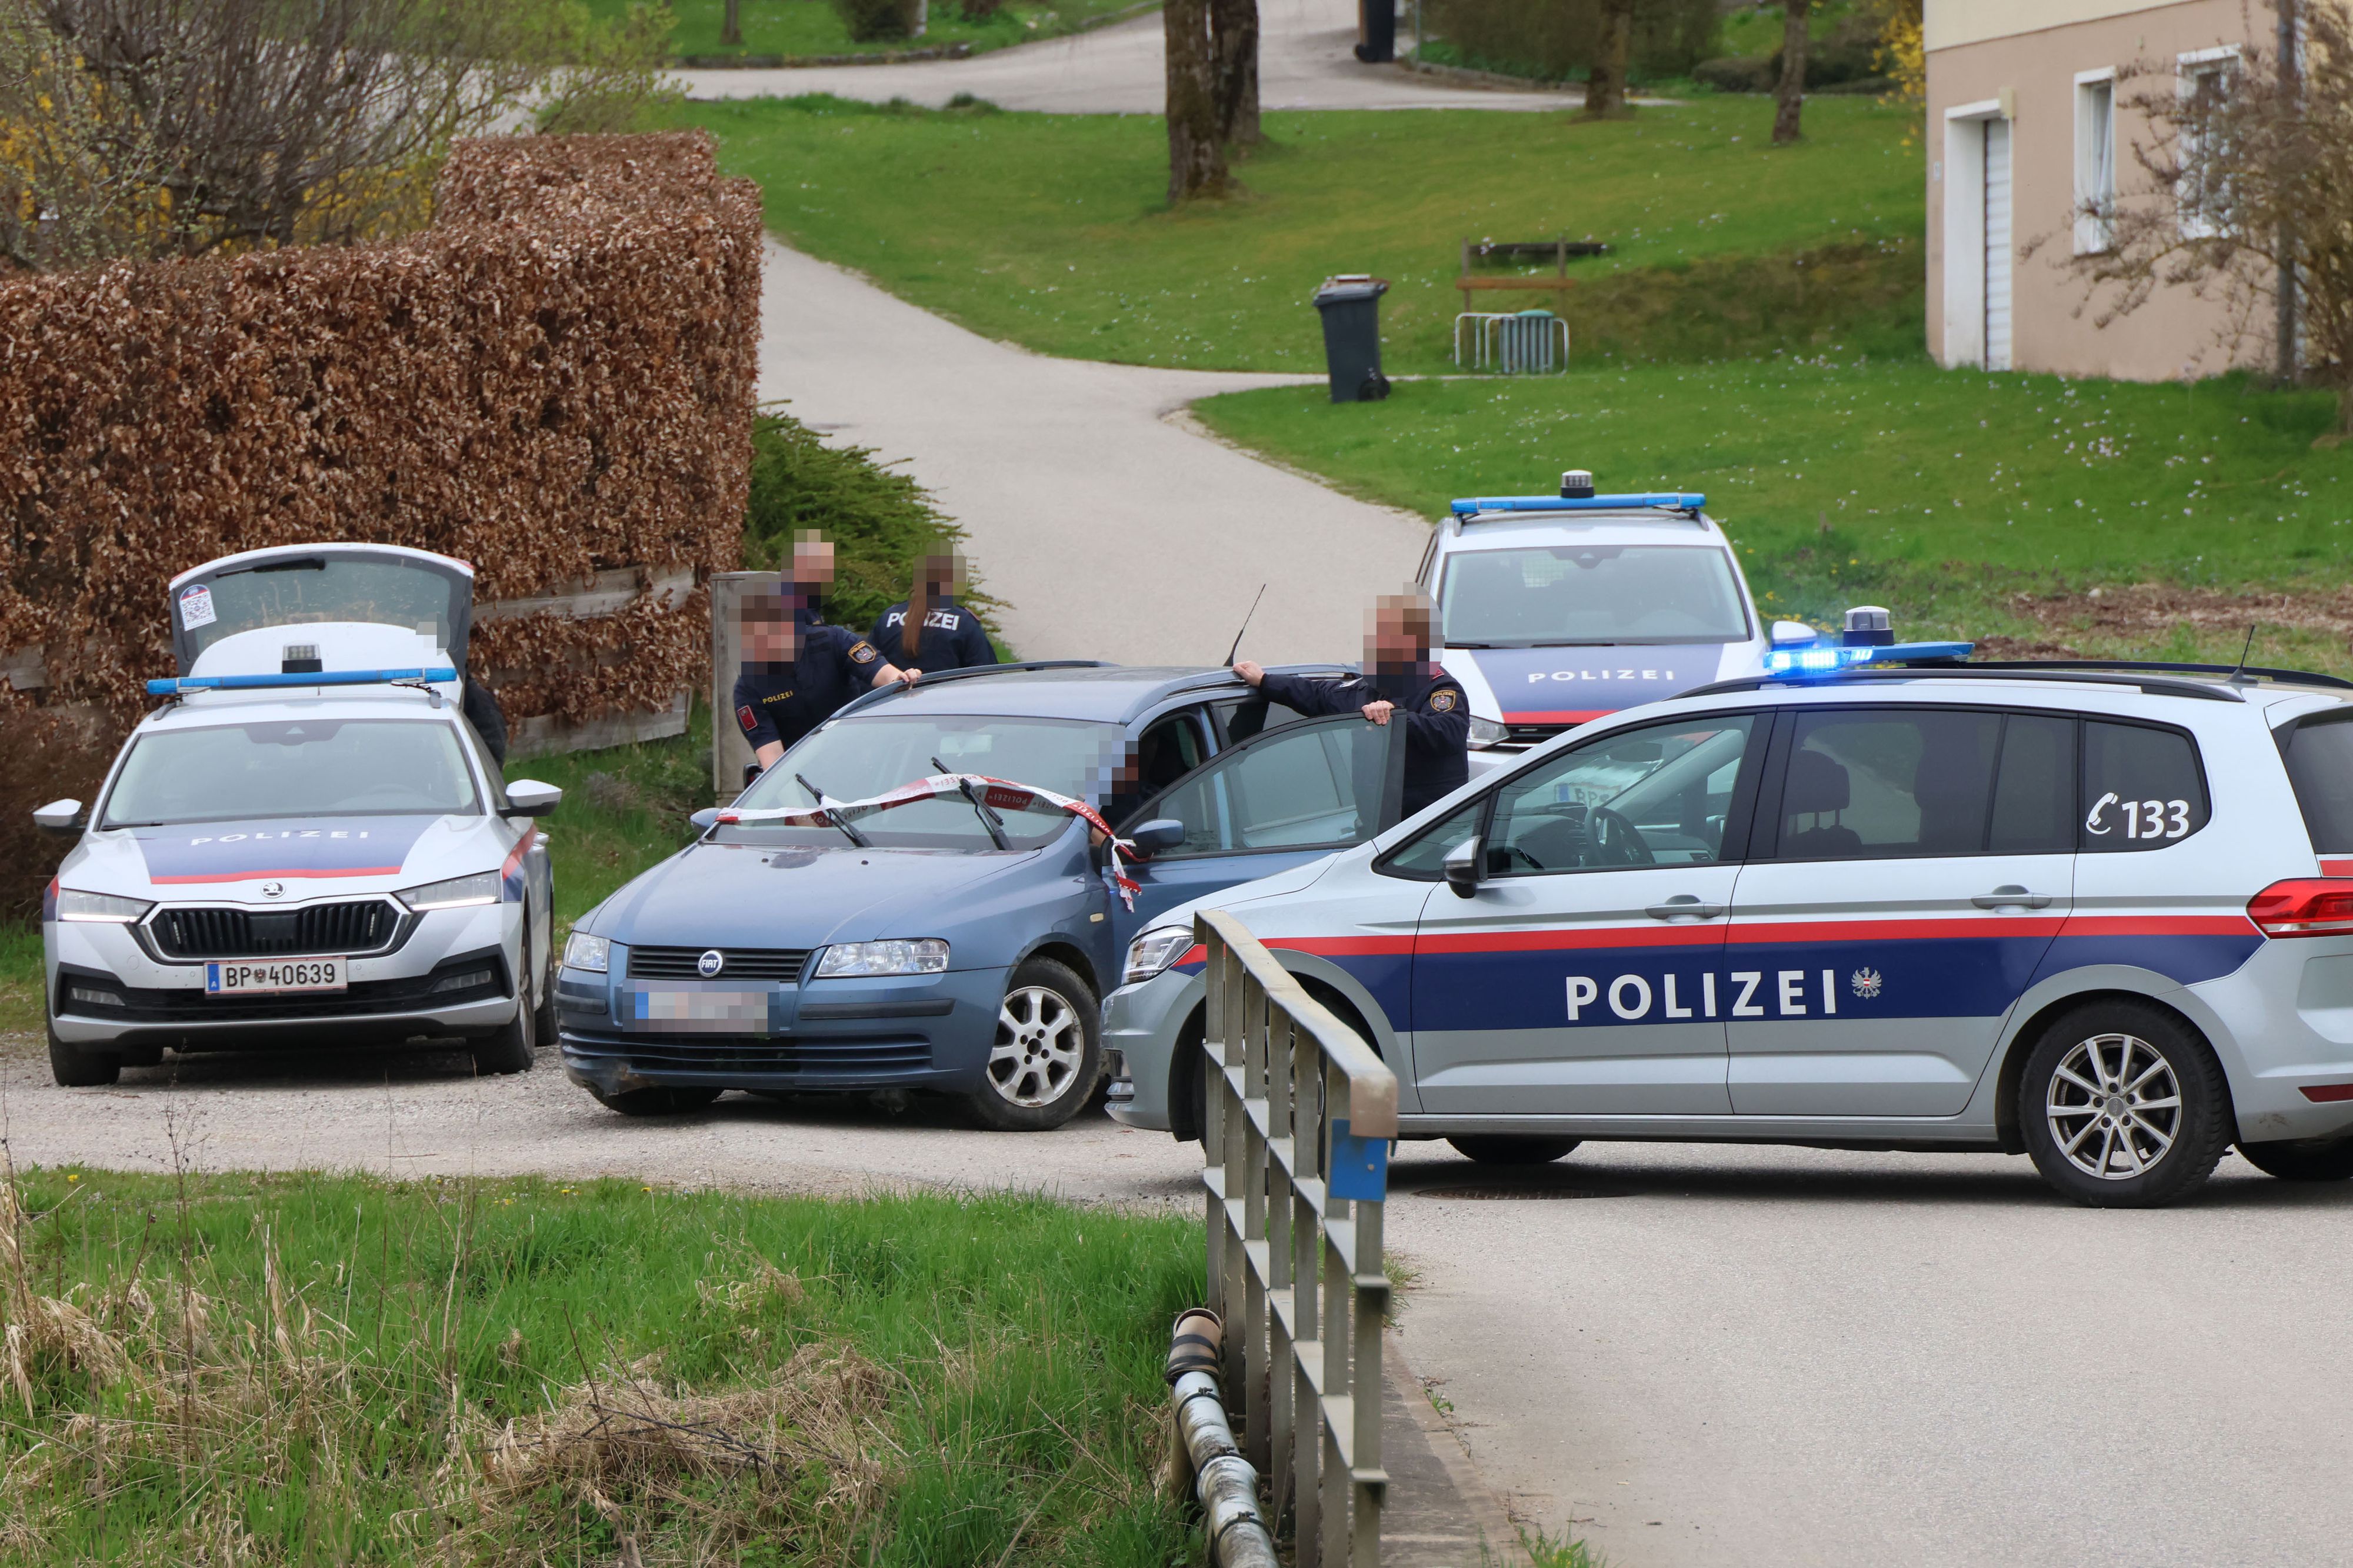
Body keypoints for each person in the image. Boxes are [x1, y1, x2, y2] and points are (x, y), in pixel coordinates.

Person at [1232, 591, 1469, 818]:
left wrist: (1397, 718)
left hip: (1429, 829)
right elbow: (1317, 695)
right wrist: (1265, 681)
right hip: (1378, 826)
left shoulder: (1440, 688)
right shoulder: (1367, 689)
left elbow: (1447, 732)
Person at [734, 589, 917, 776]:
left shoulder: (833, 640)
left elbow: (881, 672)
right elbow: (775, 767)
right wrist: (795, 805)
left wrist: (902, 679)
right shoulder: (749, 687)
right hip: (805, 781)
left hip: (863, 763)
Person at [870, 549, 996, 675]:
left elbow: (868, 668)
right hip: (945, 695)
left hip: (893, 694)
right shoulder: (964, 622)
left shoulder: (888, 618)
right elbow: (986, 675)